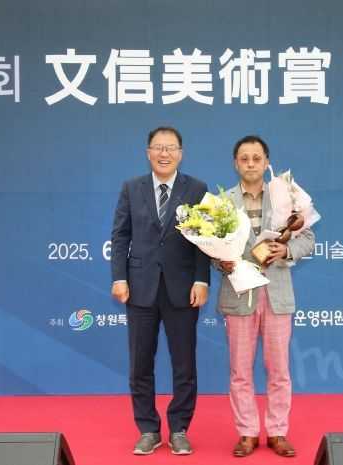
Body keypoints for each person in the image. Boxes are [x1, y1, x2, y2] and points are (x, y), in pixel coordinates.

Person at [111, 126, 210, 455]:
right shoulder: (131, 188)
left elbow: (204, 240)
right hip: (140, 288)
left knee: (185, 365)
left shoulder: (196, 188)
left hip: (182, 289)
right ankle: (148, 429)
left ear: (181, 153)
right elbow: (120, 236)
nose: (164, 153)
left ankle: (179, 428)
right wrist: (119, 277)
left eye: (170, 148)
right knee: (140, 364)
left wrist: (201, 280)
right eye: (158, 147)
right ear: (148, 152)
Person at [216, 135, 314, 458]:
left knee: (279, 370)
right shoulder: (223, 202)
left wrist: (287, 250)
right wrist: (220, 260)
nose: (251, 164)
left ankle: (277, 431)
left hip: (276, 294)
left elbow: (307, 238)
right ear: (235, 163)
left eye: (257, 158)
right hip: (239, 294)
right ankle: (247, 432)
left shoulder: (283, 195)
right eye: (244, 158)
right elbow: (211, 247)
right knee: (240, 371)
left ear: (267, 162)